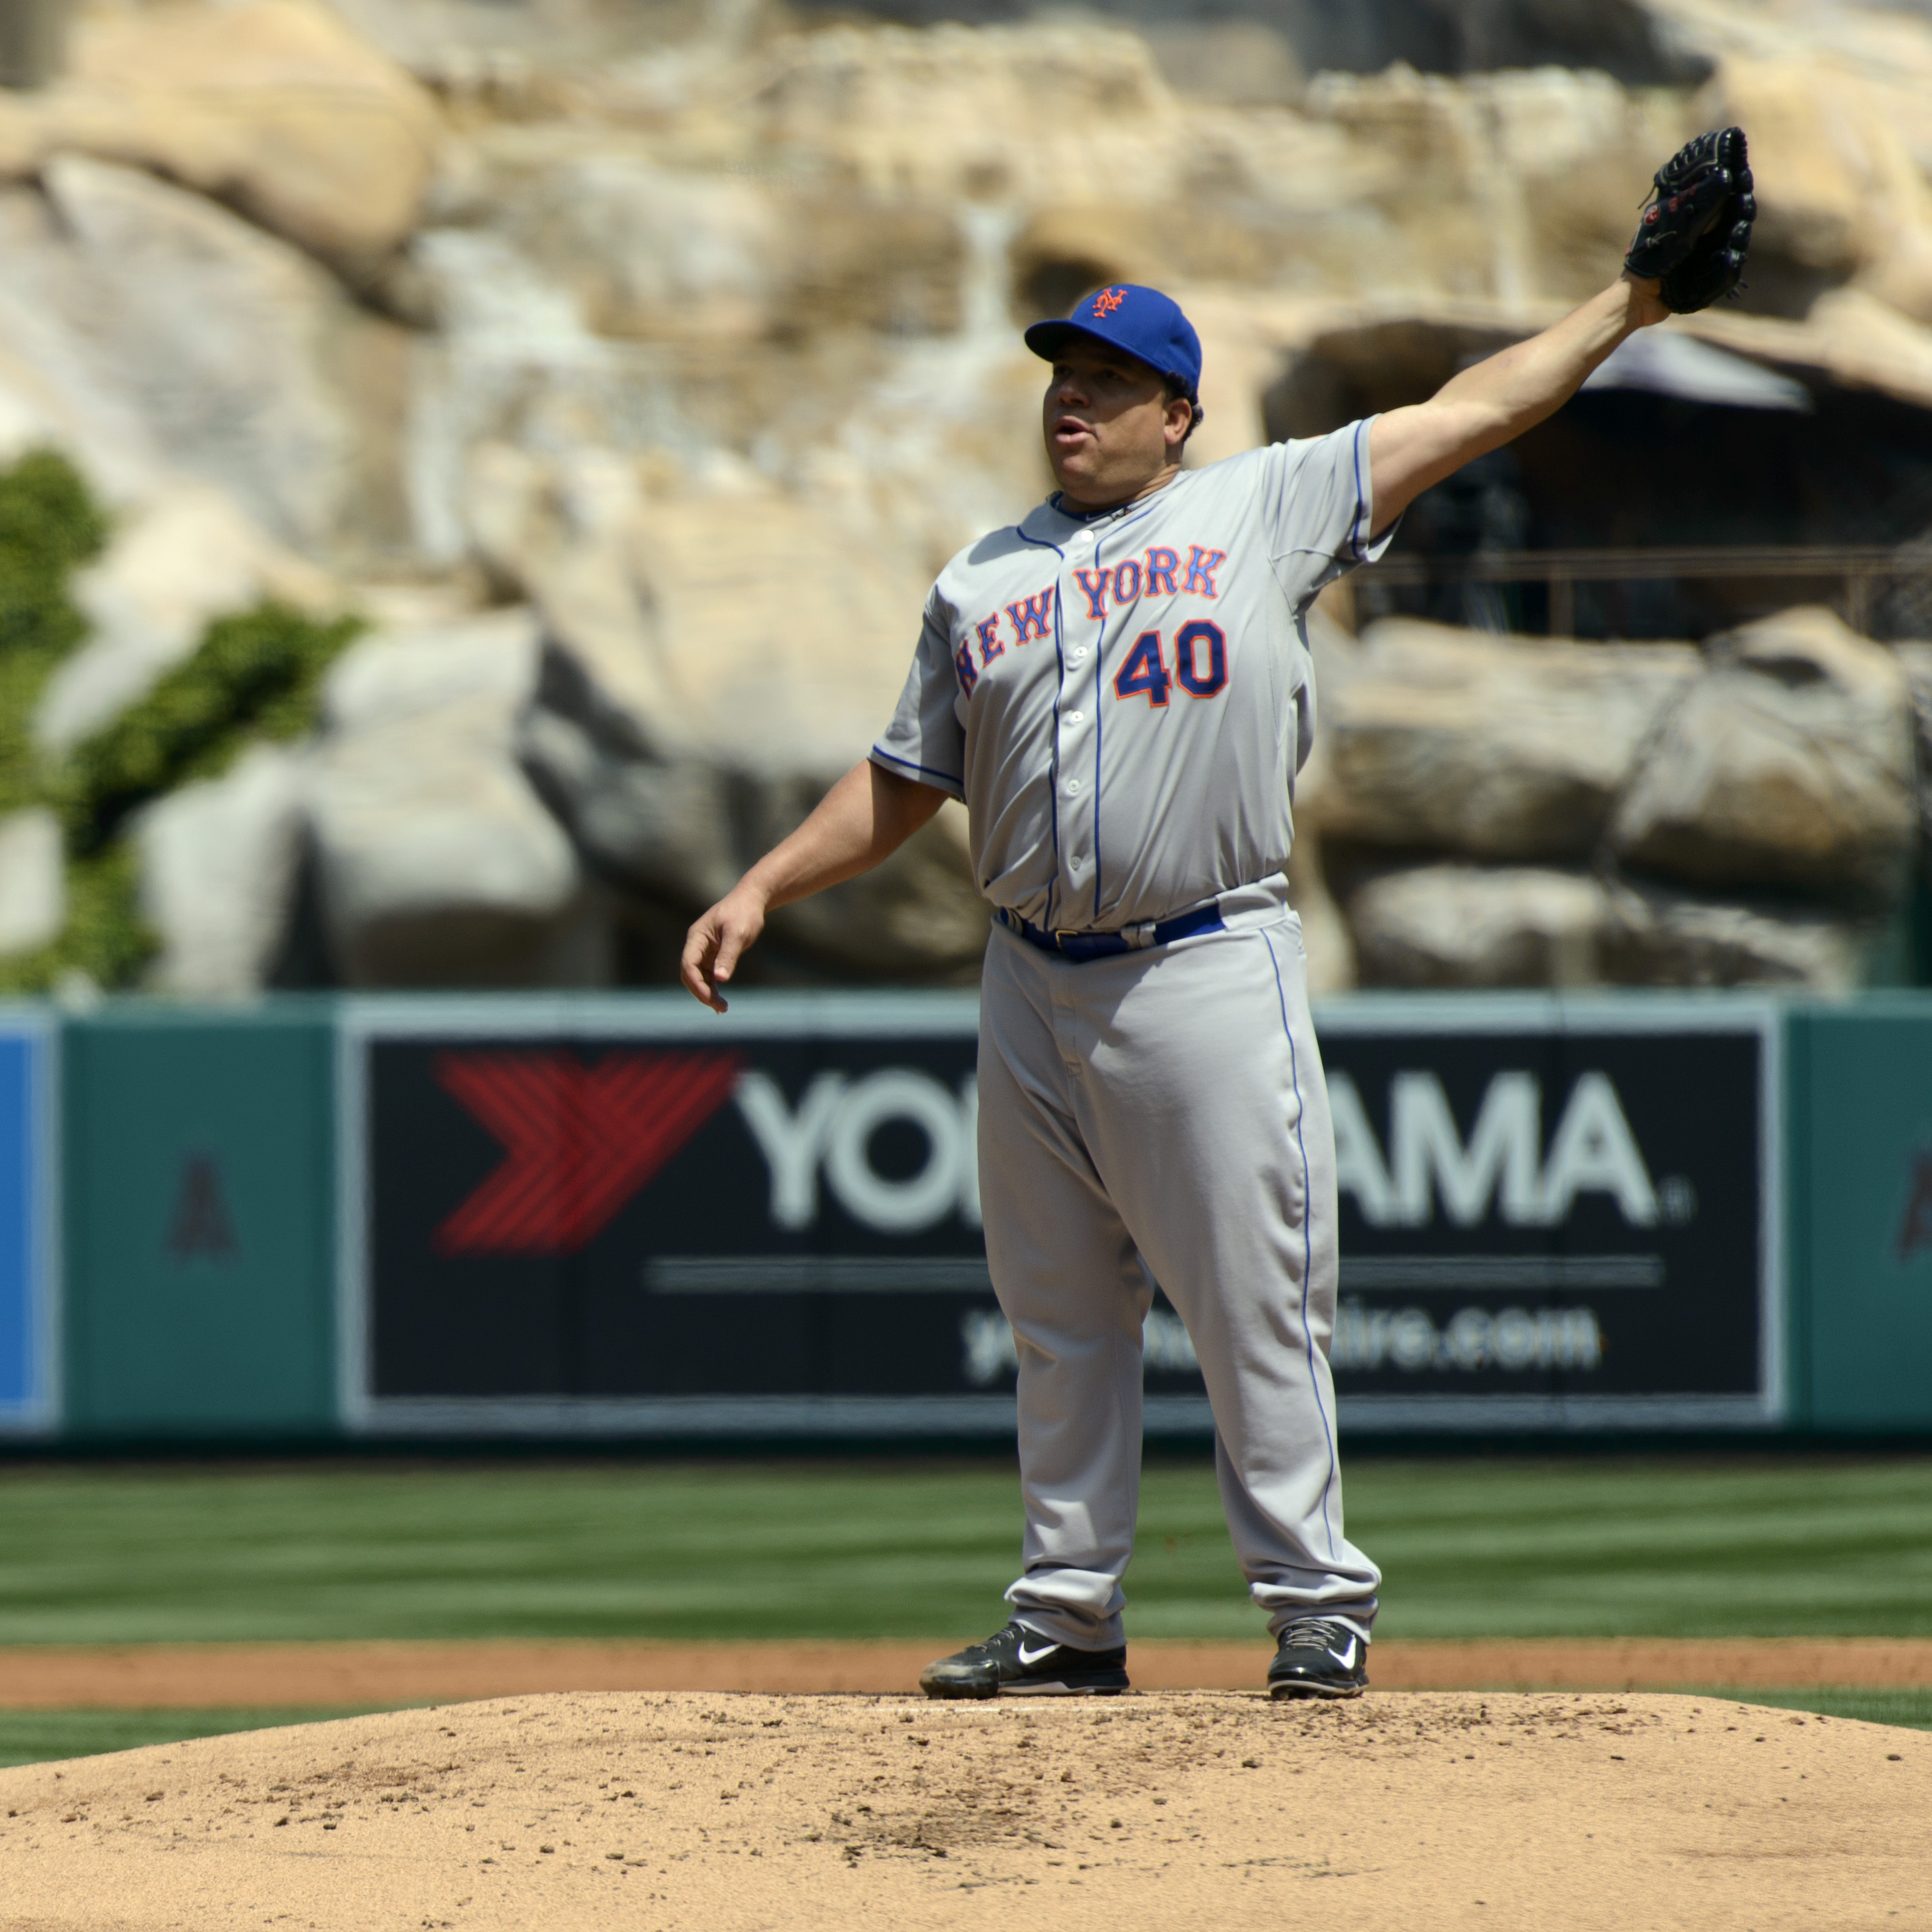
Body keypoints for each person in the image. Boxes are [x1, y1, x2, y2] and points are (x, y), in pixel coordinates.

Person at [679, 216, 1729, 1698]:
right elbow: (906, 780)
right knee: (1054, 1316)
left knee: (1252, 1299)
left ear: (1175, 414)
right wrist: (765, 884)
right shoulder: (979, 579)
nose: (1074, 401)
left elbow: (1476, 405)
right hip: (1027, 976)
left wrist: (1629, 304)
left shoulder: (1265, 506)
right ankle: (1067, 1612)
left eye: (1111, 382)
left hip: (1200, 963)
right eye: (1063, 374)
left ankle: (1315, 1600)